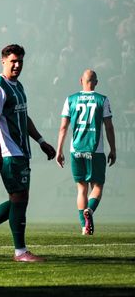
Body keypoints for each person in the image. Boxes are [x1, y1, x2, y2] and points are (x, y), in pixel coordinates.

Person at [0, 44, 56, 263]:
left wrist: (41, 141)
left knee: (19, 199)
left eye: (20, 61)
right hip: (8, 151)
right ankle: (20, 252)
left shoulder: (18, 86)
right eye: (13, 61)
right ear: (3, 61)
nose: (17, 65)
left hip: (21, 150)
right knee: (19, 199)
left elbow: (24, 117)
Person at [55, 68, 117, 236]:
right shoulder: (102, 100)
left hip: (76, 149)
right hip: (95, 150)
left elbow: (63, 127)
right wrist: (113, 149)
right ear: (96, 82)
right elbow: (109, 127)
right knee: (97, 186)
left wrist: (59, 150)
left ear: (80, 80)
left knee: (81, 189)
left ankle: (84, 227)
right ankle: (89, 210)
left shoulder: (70, 99)